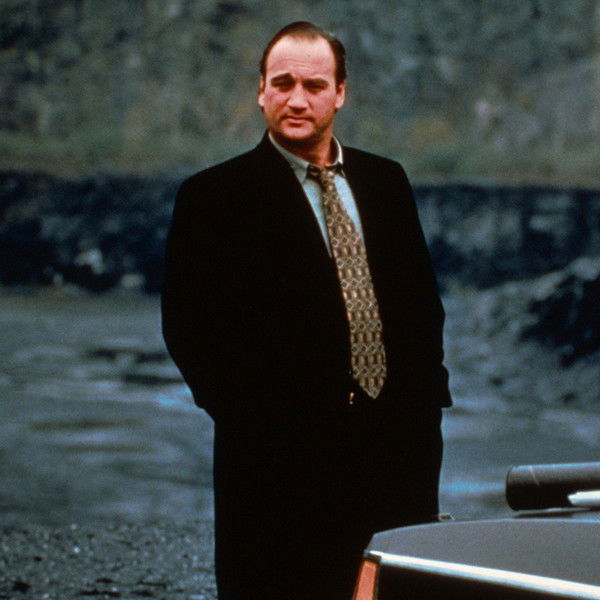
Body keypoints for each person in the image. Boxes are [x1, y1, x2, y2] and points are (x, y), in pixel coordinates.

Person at [162, 21, 451, 600]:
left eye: (314, 85)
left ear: (340, 93)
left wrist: (422, 412)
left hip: (396, 451)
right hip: (278, 467)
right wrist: (257, 427)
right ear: (261, 90)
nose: (297, 100)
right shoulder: (213, 197)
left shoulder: (386, 181)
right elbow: (189, 330)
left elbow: (421, 309)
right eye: (283, 83)